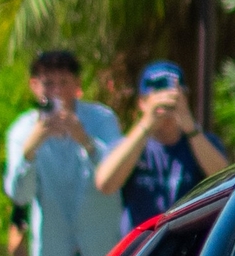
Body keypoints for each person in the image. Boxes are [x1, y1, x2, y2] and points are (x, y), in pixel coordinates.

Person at [2, 48, 126, 256]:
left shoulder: (102, 120)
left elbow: (117, 175)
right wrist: (29, 151)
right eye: (48, 84)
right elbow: (19, 195)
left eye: (64, 83)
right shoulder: (22, 131)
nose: (56, 91)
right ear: (34, 86)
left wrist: (86, 141)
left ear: (77, 85)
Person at [96, 61, 227, 227]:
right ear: (142, 103)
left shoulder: (202, 142)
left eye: (173, 97)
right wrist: (147, 124)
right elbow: (105, 184)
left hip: (192, 244)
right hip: (143, 245)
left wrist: (190, 128)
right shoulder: (129, 145)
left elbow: (226, 182)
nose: (166, 105)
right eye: (157, 96)